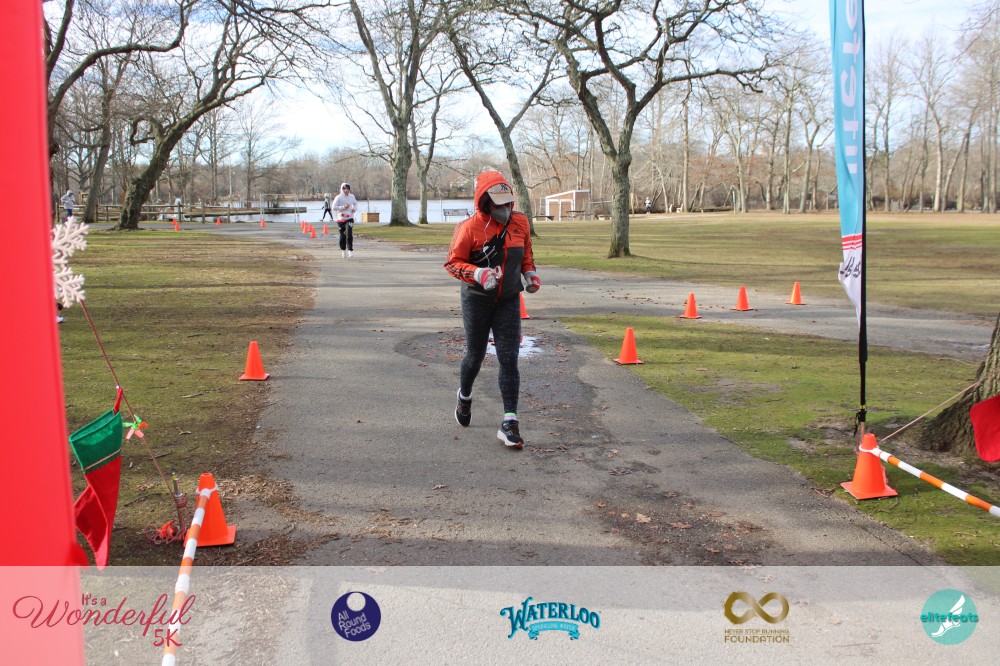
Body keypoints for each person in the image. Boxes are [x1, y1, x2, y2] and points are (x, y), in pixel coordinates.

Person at [444, 170, 540, 450]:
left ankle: (510, 423)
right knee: (475, 355)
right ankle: (464, 396)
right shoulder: (468, 228)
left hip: (508, 299)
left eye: (508, 202)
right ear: (484, 202)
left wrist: (530, 273)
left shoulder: (520, 222)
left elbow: (526, 252)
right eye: (499, 204)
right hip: (477, 299)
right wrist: (478, 274)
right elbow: (452, 263)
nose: (505, 208)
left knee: (509, 358)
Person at [332, 182, 357, 258]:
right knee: (342, 235)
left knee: (349, 233)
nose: (346, 190)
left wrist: (354, 208)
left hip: (350, 217)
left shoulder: (352, 196)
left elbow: (356, 203)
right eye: (344, 189)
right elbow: (334, 207)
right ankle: (343, 250)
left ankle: (350, 250)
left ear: (349, 189)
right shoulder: (338, 197)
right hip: (341, 218)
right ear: (342, 189)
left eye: (347, 189)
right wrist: (343, 207)